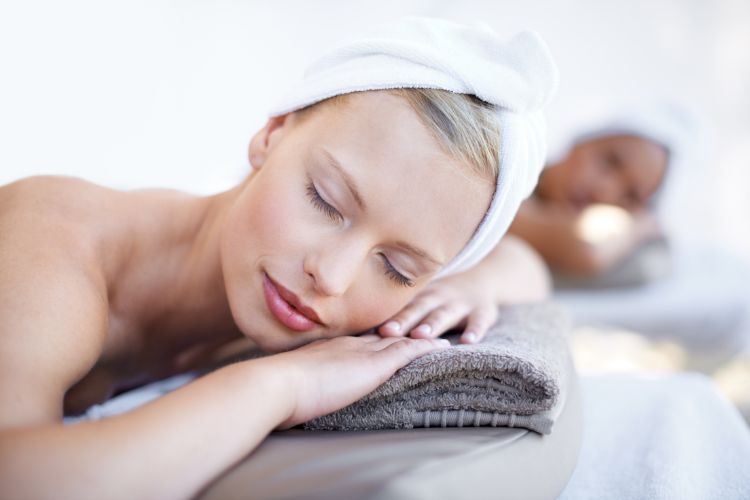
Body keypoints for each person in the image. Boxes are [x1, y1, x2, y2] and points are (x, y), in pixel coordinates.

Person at [0, 17, 556, 498]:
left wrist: (470, 287)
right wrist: (280, 387)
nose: (332, 278)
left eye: (396, 268)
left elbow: (522, 262)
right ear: (271, 134)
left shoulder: (328, 295)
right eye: (324, 200)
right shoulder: (54, 243)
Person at [509, 103, 690, 276]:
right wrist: (639, 226)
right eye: (611, 161)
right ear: (583, 140)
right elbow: (587, 245)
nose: (605, 191)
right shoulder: (508, 177)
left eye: (631, 195)